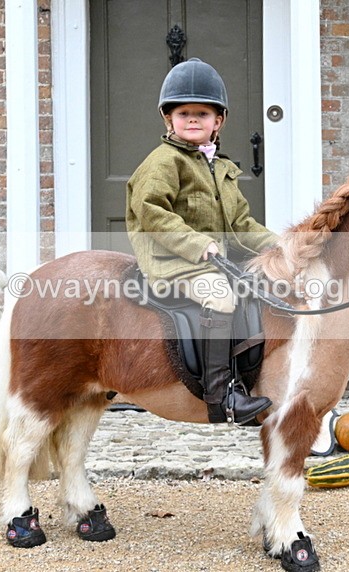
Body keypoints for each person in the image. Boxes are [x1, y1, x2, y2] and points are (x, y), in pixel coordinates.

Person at [126, 58, 277, 425]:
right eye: (184, 114)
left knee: (257, 287)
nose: (193, 120)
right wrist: (197, 245)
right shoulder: (163, 162)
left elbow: (241, 223)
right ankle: (221, 394)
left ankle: (248, 376)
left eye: (202, 114)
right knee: (221, 295)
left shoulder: (222, 168)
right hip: (173, 261)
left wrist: (280, 244)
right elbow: (152, 212)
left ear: (218, 121)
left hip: (211, 260)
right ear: (169, 120)